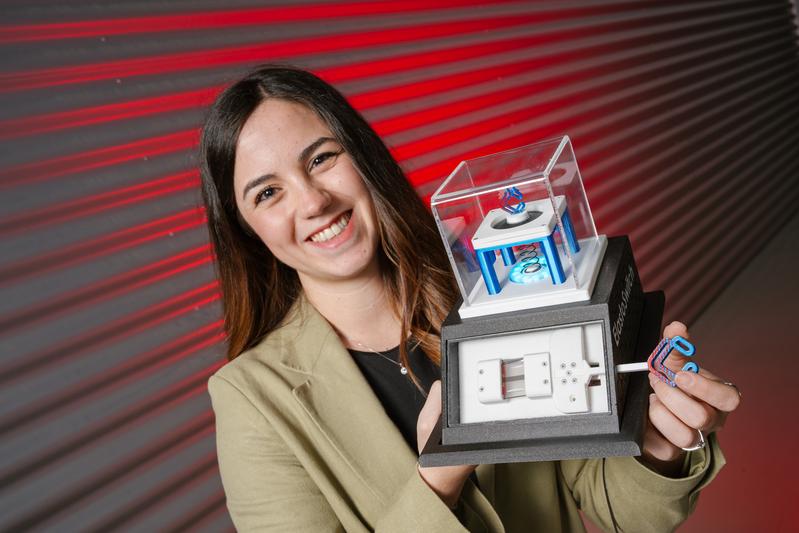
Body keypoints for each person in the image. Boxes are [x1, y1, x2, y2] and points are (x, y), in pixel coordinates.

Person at [201, 65, 739, 532]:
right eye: (268, 192)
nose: (313, 201)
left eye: (321, 159)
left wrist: (659, 444)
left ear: (362, 157)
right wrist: (438, 479)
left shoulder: (493, 292)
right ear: (246, 228)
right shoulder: (253, 399)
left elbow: (621, 510)